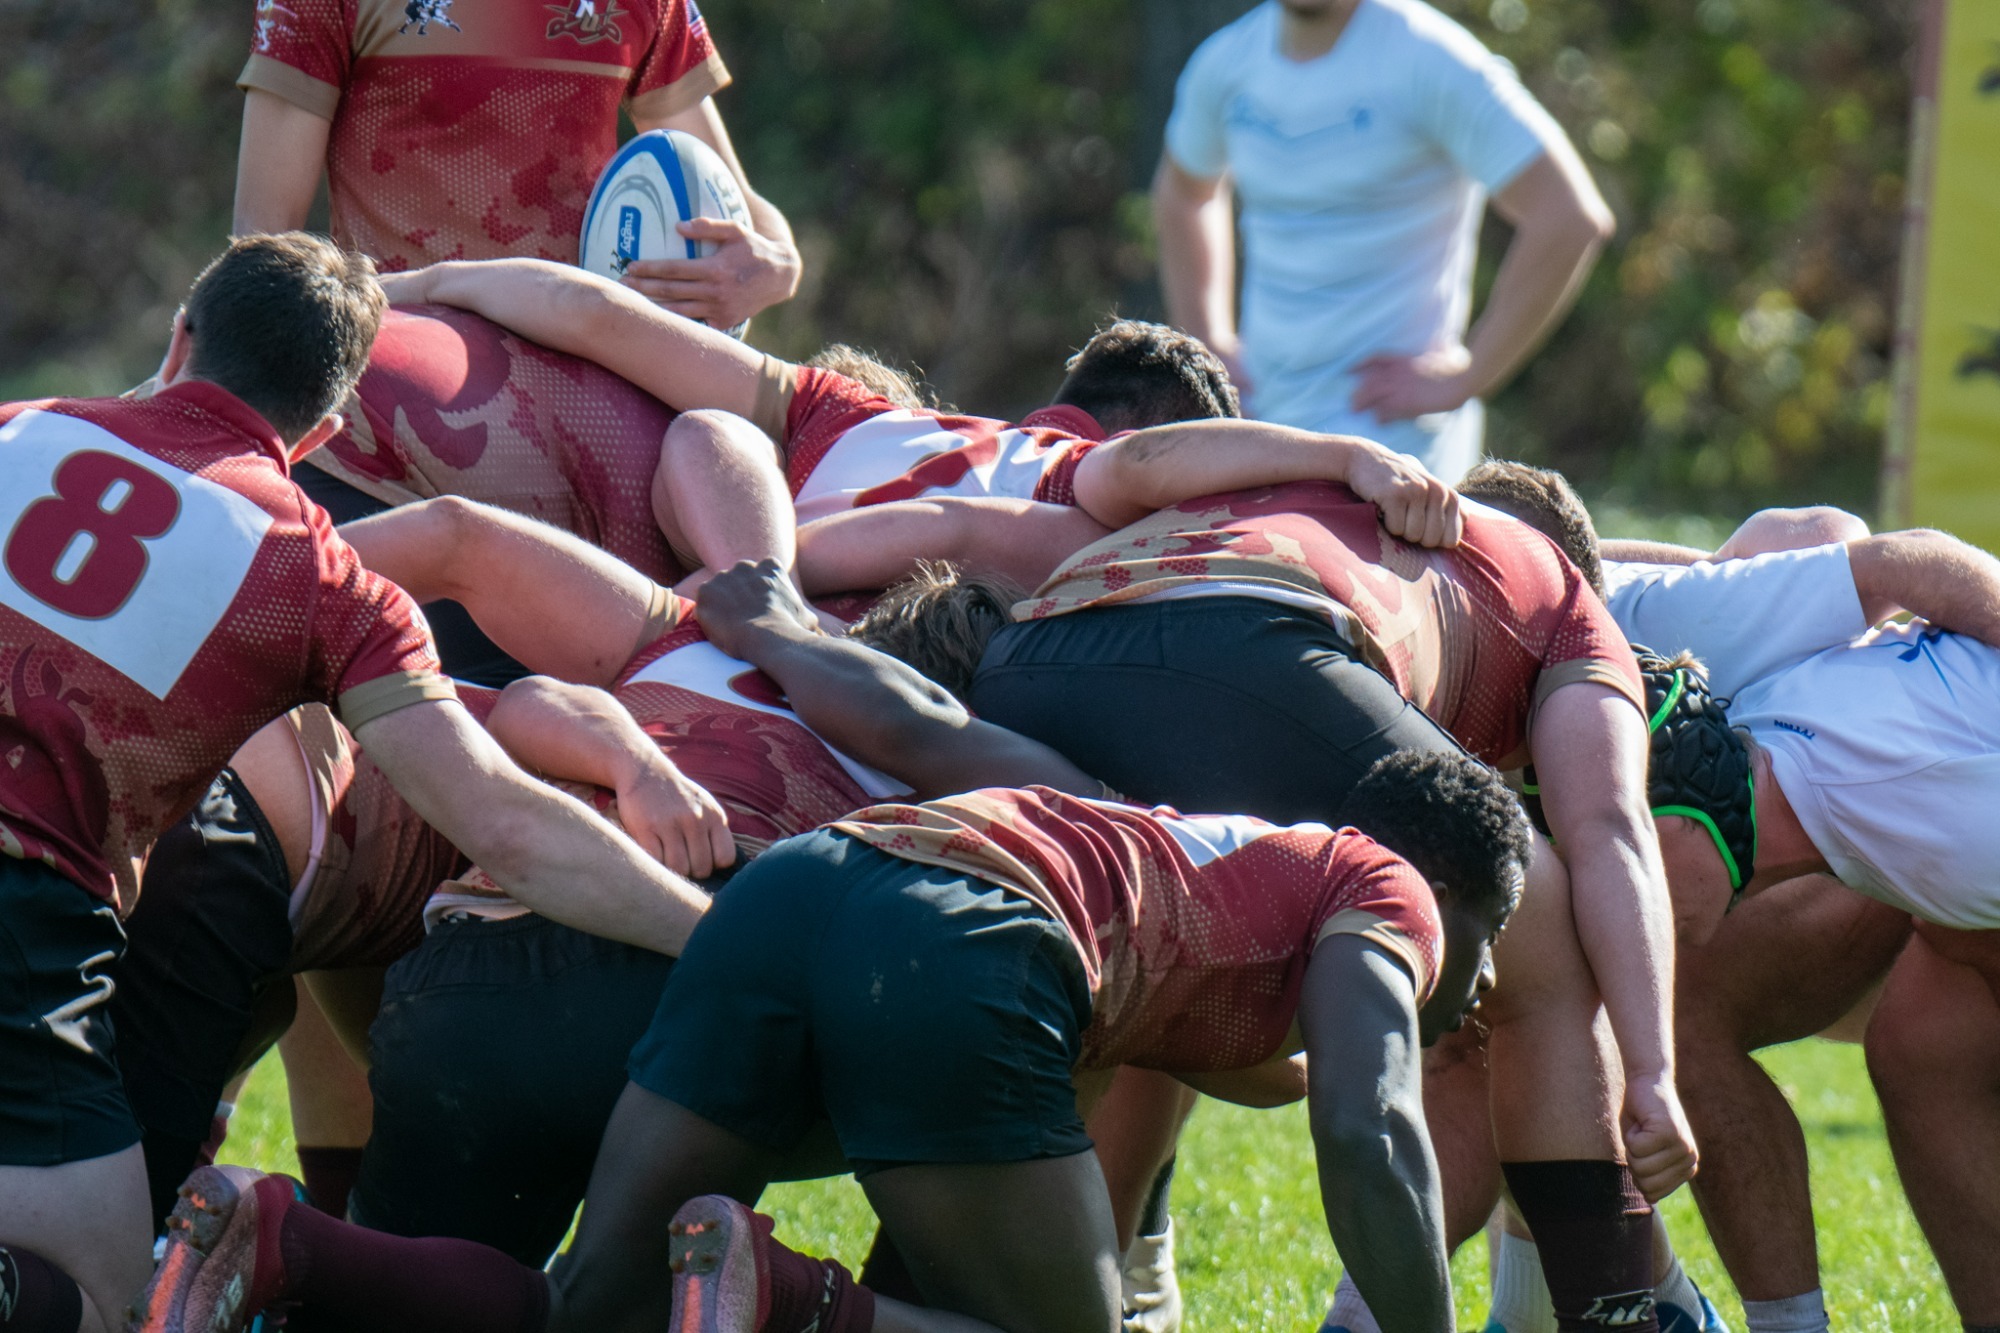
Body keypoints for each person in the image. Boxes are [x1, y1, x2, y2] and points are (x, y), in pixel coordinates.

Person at [131, 746, 1533, 1333]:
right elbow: (1369, 1122)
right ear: (1454, 891)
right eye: (1493, 947)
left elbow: (1271, 1071)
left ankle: (270, 1240)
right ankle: (787, 1299)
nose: (1477, 990)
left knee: (596, 1303)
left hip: (802, 888)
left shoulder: (1226, 859)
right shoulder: (1386, 882)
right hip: (962, 939)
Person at [0, 233, 708, 1333]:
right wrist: (717, 932)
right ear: (323, 430)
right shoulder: (317, 575)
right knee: (102, 1302)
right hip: (25, 911)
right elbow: (507, 827)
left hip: (51, 913)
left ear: (181, 337)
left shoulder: (20, 424)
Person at [836, 479, 1694, 1332]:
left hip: (1034, 656)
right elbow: (1610, 827)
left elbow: (1133, 468)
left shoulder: (1318, 487)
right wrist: (1652, 1070)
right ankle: (1608, 1313)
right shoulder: (1575, 607)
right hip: (1261, 648)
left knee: (1100, 976)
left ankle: (898, 1301)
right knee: (1545, 945)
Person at [1152, 0, 1612, 481]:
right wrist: (1209, 342)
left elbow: (1569, 216)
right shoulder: (1226, 63)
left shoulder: (1430, 58)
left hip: (1396, 450)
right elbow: (1184, 193)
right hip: (1263, 429)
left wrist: (1469, 376)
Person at [234, 0, 801, 330]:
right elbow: (259, 244)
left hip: (597, 386)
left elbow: (744, 211)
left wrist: (775, 265)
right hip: (393, 394)